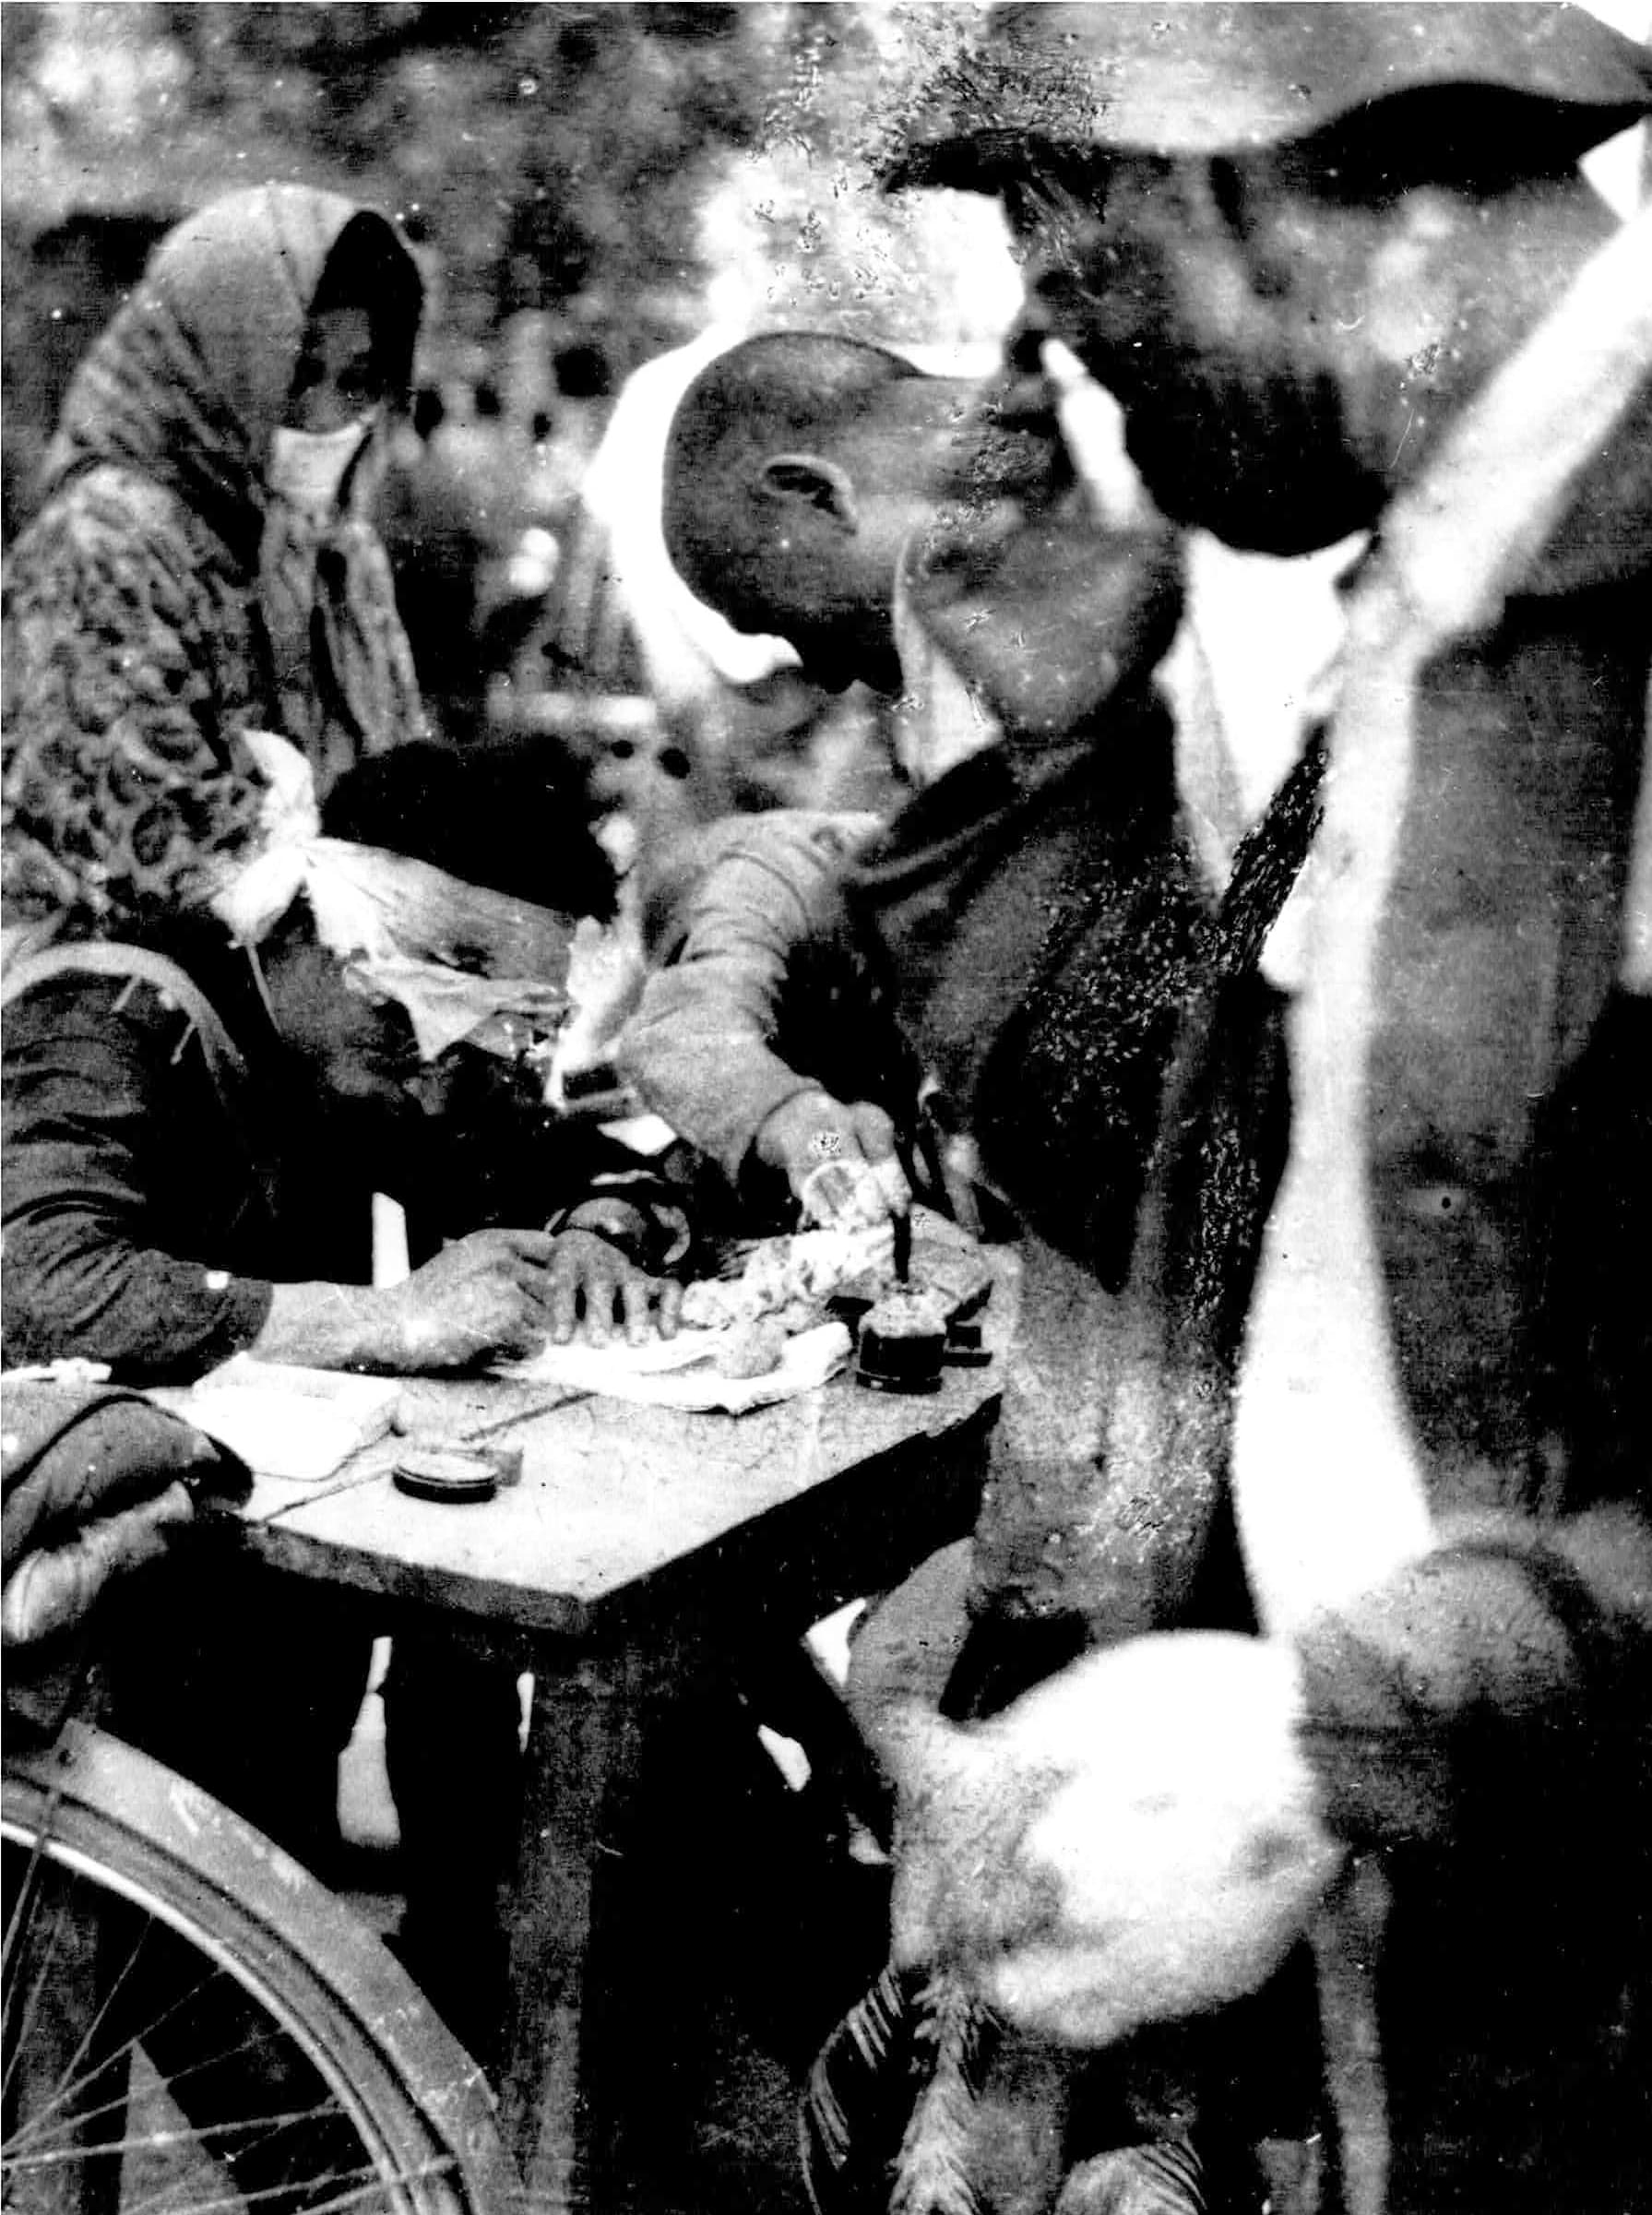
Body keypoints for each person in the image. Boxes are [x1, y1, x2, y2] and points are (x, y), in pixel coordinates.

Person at [838, 6, 1652, 2211]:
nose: (1071, 383)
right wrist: (1052, 750)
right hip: (1467, 1952)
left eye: (1101, 300)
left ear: (1281, 194)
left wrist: (1352, 1714)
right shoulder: (1452, 589)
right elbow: (1191, 1194)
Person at [0, 181, 685, 2080]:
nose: (333, 412)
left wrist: (607, 1224)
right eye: (309, 370)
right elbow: (37, 1266)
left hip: (308, 960)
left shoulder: (360, 1002)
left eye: (362, 378)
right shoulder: (119, 992)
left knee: (306, 1734)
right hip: (145, 1051)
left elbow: (467, 1095)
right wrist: (375, 1315)